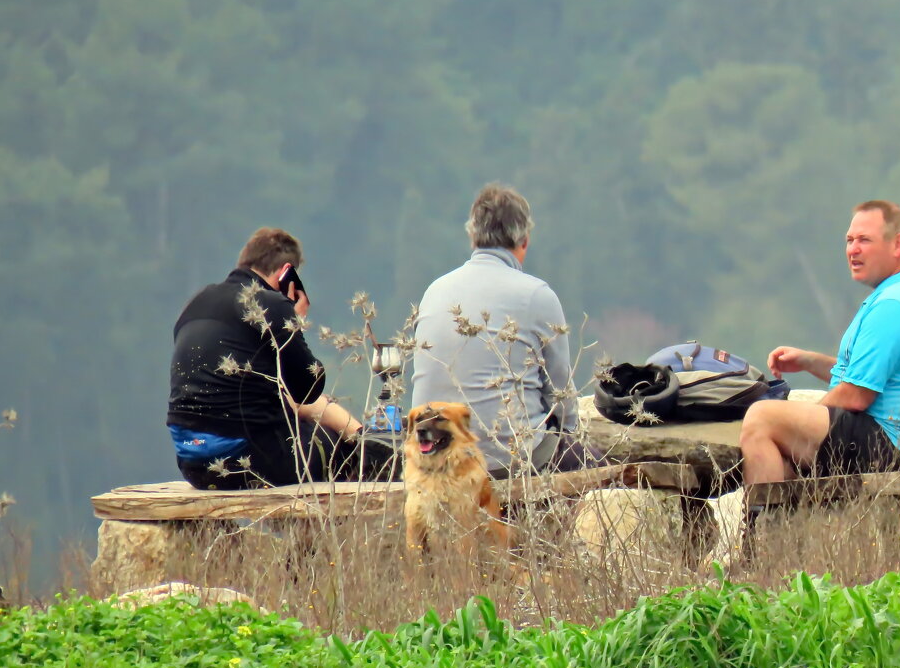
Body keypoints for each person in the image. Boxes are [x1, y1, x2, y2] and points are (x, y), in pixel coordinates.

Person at [738, 200, 900, 487]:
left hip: (899, 448)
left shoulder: (896, 306)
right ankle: (783, 526)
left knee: (763, 418)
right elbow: (870, 376)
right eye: (849, 240)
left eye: (864, 240)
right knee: (781, 447)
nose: (853, 250)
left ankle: (758, 529)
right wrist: (810, 362)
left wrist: (805, 421)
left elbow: (857, 395)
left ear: (897, 244)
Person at [411, 183, 601, 477]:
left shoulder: (434, 291)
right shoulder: (536, 295)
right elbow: (561, 394)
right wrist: (572, 440)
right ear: (524, 240)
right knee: (603, 473)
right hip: (507, 461)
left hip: (436, 459)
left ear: (472, 236)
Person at [167, 227, 363, 489]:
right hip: (252, 460)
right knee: (334, 444)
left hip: (194, 465)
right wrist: (295, 321)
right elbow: (309, 388)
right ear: (286, 273)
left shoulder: (195, 303)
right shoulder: (270, 303)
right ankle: (319, 528)